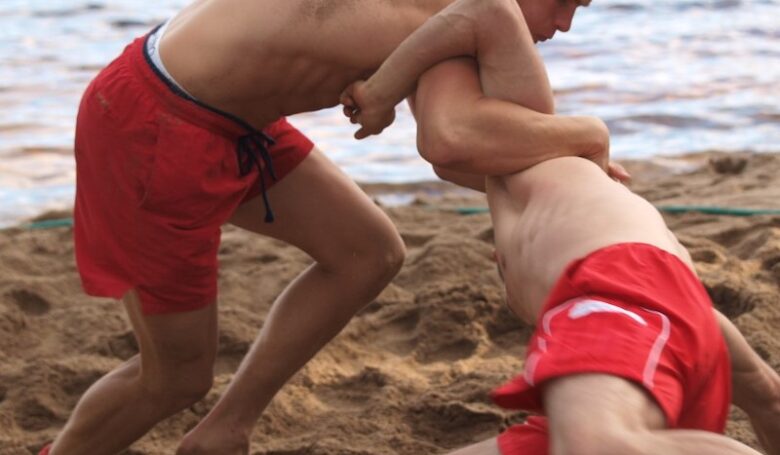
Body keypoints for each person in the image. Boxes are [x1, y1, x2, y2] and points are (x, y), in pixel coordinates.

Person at [45, 1, 609, 454]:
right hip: (157, 123)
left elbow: (467, 151)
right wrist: (589, 137)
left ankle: (226, 429)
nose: (564, 25)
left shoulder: (454, 20)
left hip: (229, 118)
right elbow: (453, 142)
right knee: (176, 378)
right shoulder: (466, 15)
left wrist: (564, 182)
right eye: (564, 3)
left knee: (368, 252)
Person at [342, 7, 780, 455]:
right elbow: (757, 388)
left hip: (616, 287)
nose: (566, 24)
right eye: (564, 2)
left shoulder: (526, 113)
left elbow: (487, 12)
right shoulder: (520, 162)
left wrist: (380, 91)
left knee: (598, 445)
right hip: (659, 303)